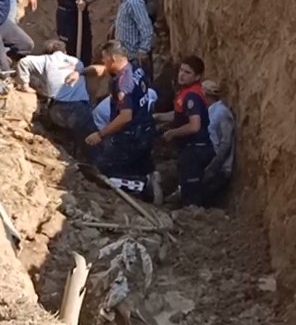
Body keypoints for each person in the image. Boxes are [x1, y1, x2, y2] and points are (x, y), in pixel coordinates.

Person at [77, 40, 159, 200]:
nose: (103, 62)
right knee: (137, 165)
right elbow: (103, 70)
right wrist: (80, 72)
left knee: (103, 170)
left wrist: (100, 134)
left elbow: (125, 116)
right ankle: (150, 177)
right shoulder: (134, 68)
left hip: (131, 135)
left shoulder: (123, 85)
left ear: (113, 59)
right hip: (146, 128)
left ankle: (144, 185)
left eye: (104, 59)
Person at [155, 56, 215, 208]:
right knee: (186, 183)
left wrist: (173, 133)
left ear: (197, 76)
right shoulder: (186, 92)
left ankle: (195, 218)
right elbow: (179, 114)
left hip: (196, 148)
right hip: (189, 149)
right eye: (181, 70)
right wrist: (158, 117)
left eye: (187, 72)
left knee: (191, 190)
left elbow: (194, 125)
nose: (181, 74)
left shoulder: (192, 96)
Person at [14, 38, 96, 143]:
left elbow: (23, 61)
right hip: (80, 109)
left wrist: (24, 85)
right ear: (65, 52)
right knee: (89, 138)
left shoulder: (46, 60)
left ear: (46, 53)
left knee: (56, 126)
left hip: (58, 110)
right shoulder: (77, 62)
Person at [108, 0, 154, 77]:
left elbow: (146, 27)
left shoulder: (133, 1)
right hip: (124, 57)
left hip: (133, 58)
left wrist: (143, 51)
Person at [201, 78, 236, 201]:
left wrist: (213, 167)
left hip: (218, 170)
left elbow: (225, 143)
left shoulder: (221, 113)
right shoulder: (208, 112)